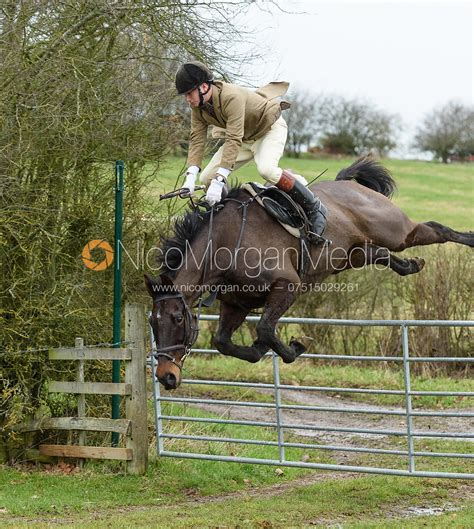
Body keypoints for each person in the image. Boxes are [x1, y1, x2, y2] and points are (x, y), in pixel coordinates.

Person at [176, 61, 326, 242]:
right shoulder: (198, 108)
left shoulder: (231, 96)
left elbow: (233, 138)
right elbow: (197, 139)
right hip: (244, 138)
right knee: (206, 178)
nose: (187, 99)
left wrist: (220, 179)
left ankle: (314, 206)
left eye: (189, 93)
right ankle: (226, 217)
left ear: (204, 87)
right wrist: (190, 177)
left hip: (268, 130)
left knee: (266, 170)